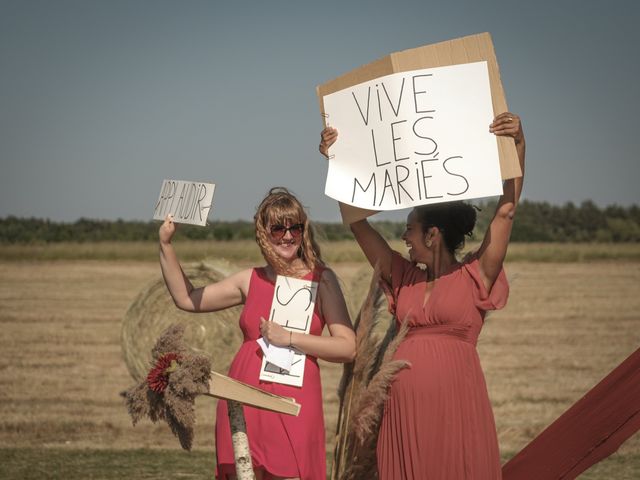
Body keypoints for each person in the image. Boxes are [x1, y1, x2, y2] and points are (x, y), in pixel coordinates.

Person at [319, 112, 525, 479]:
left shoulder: (475, 274)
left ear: (432, 235)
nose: (403, 238)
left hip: (457, 407)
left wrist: (518, 145)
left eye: (409, 229)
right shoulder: (403, 276)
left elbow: (505, 212)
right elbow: (357, 223)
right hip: (404, 414)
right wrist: (338, 161)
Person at [158, 187, 355, 480]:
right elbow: (187, 298)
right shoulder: (249, 279)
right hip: (243, 396)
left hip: (294, 400)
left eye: (294, 228)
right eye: (278, 229)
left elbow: (347, 347)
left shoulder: (322, 280)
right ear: (264, 232)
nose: (287, 236)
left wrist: (289, 337)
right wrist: (166, 245)